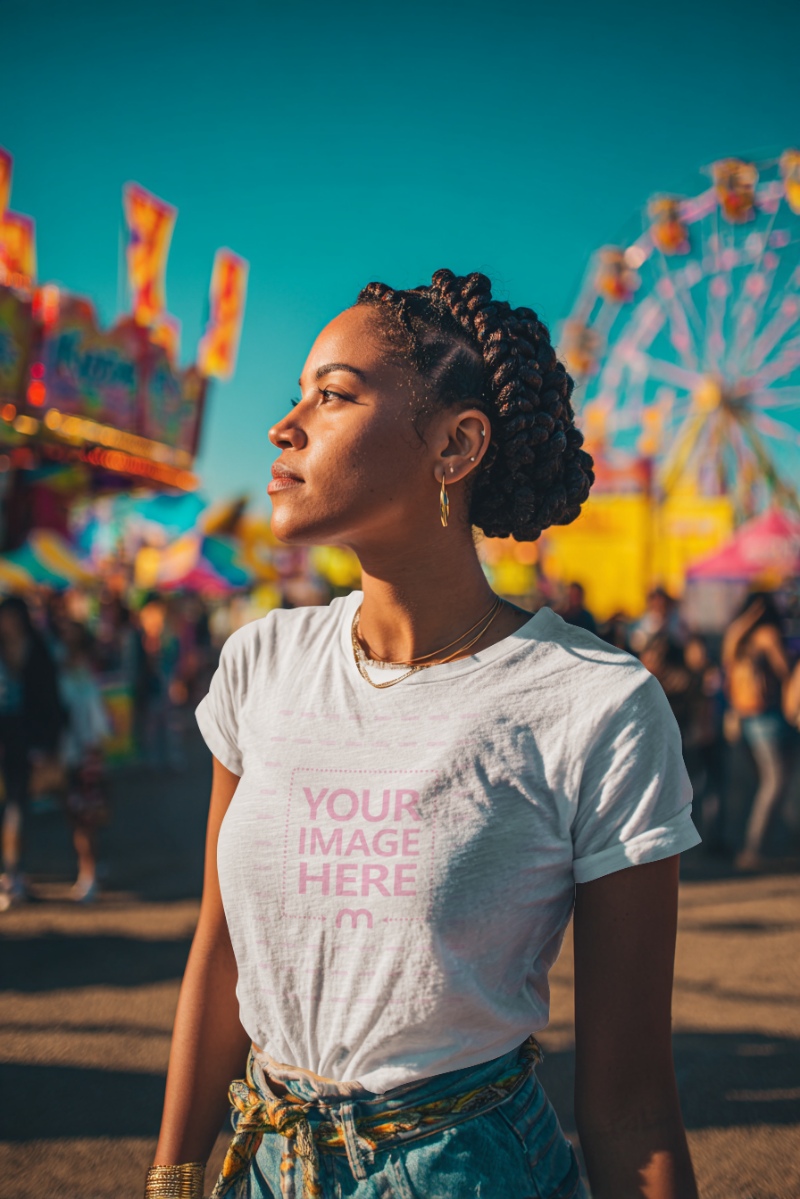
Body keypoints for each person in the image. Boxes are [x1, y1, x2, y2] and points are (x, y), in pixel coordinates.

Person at [149, 270, 700, 1199]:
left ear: (456, 444)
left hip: (467, 1167)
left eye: (332, 395)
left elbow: (632, 1106)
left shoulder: (594, 703)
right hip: (264, 1163)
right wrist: (171, 1175)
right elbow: (223, 948)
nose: (284, 426)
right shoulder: (261, 662)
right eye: (298, 394)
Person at [0, 595, 64, 910]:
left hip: (23, 741)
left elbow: (48, 698)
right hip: (9, 738)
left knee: (17, 806)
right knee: (13, 806)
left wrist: (45, 743)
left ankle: (13, 873)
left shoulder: (37, 650)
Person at [722, 592, 790, 871]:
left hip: (745, 719)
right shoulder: (767, 635)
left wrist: (744, 620)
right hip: (769, 717)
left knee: (756, 783)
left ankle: (750, 845)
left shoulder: (738, 639)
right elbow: (785, 671)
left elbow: (725, 661)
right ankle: (755, 848)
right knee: (775, 782)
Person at [59, 620, 111, 902]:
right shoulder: (84, 675)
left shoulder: (77, 675)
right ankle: (91, 869)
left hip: (84, 754)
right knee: (82, 816)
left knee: (84, 817)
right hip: (80, 753)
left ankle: (89, 872)